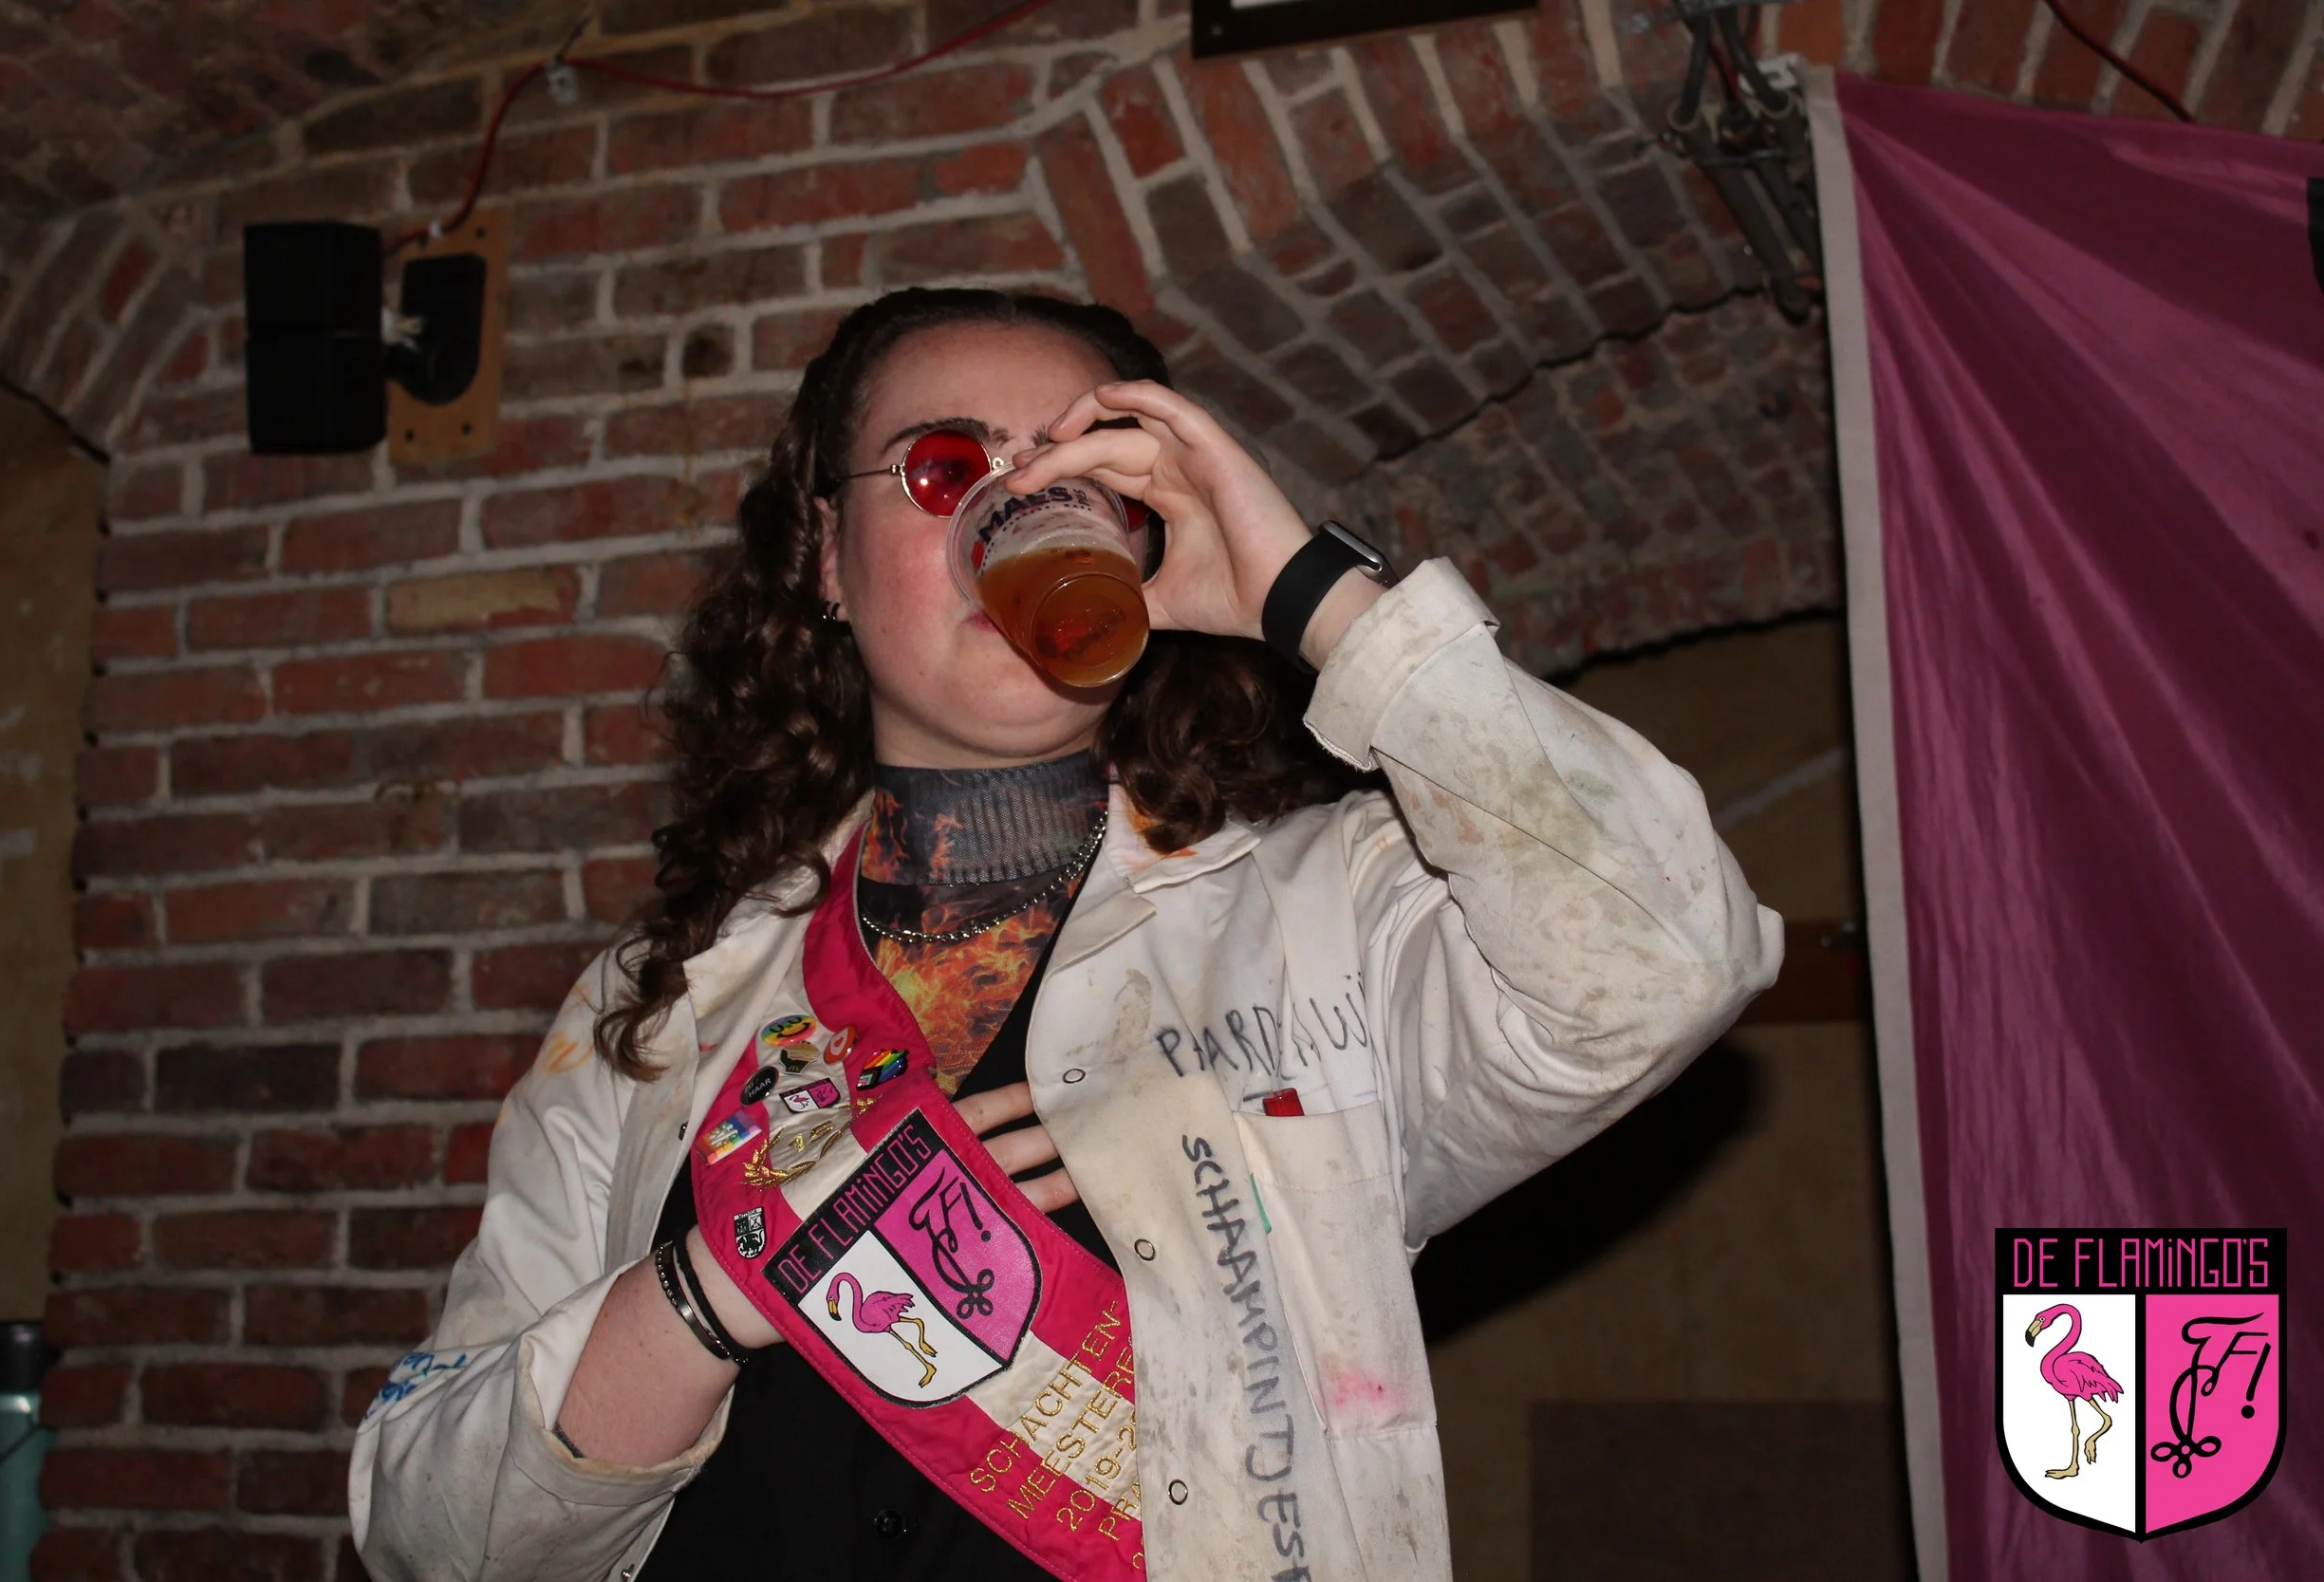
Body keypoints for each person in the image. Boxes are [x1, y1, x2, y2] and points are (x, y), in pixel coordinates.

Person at [348, 288, 1780, 1582]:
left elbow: (1665, 959)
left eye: (1084, 479)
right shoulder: (660, 1006)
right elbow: (428, 1531)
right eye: (947, 469)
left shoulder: (1326, 923)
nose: (1020, 509)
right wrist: (715, 1286)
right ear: (829, 556)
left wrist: (1305, 596)